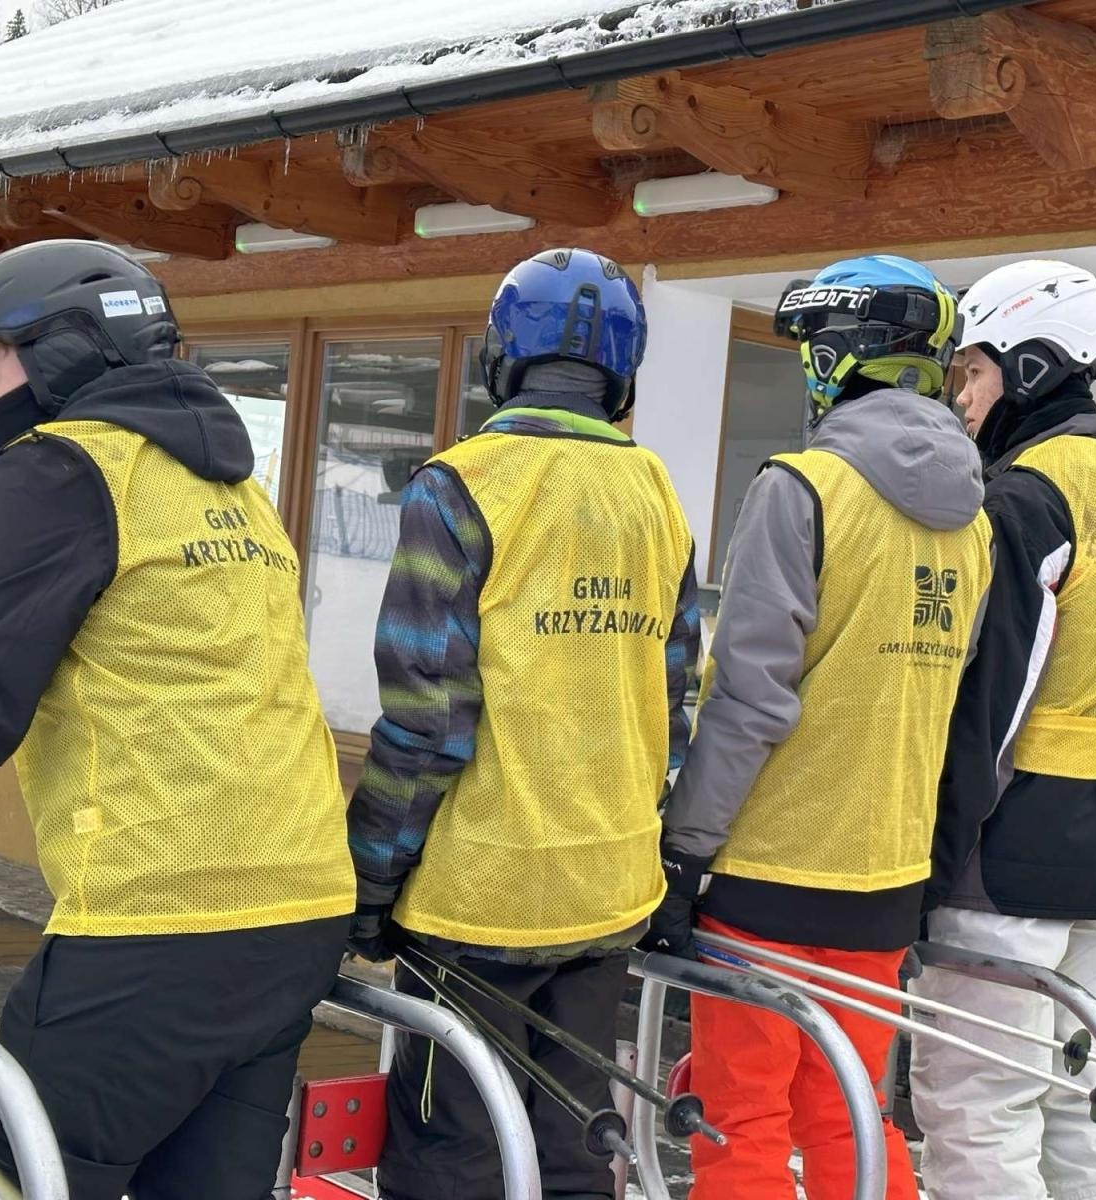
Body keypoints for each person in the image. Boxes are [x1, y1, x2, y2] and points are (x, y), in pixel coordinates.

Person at [0, 240, 355, 1198]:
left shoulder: (62, 467)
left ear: (62, 356)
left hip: (157, 928)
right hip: (295, 918)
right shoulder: (231, 489)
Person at [346, 247, 701, 1200]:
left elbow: (427, 718)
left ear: (503, 355)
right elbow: (673, 706)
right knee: (575, 1144)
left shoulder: (459, 485)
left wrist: (370, 879)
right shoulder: (659, 496)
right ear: (620, 370)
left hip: (480, 896)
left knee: (450, 1150)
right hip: (608, 886)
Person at [648, 255, 992, 1200]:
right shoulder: (977, 520)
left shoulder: (800, 488)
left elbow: (750, 696)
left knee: (740, 1115)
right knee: (847, 1107)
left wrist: (684, 850)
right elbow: (956, 701)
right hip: (886, 867)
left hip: (772, 869)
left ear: (839, 358)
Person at [908, 258, 1096, 1200]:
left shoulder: (1027, 497)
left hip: (1014, 853)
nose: (962, 398)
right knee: (1085, 1089)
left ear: (1031, 368)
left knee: (976, 1100)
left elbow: (994, 698)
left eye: (974, 372)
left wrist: (935, 855)